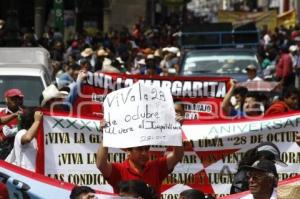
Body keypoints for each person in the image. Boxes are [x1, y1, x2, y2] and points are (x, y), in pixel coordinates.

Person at [96, 140, 184, 197]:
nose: (144, 153)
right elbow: (101, 164)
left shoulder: (156, 166)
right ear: (128, 151)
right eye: (140, 149)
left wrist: (177, 129)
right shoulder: (119, 169)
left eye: (146, 149)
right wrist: (105, 136)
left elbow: (177, 156)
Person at [0, 88, 24, 159]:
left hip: (21, 152)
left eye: (18, 98)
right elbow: (6, 133)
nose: (16, 101)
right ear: (6, 100)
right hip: (5, 152)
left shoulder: (25, 114)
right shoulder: (2, 113)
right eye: (13, 98)